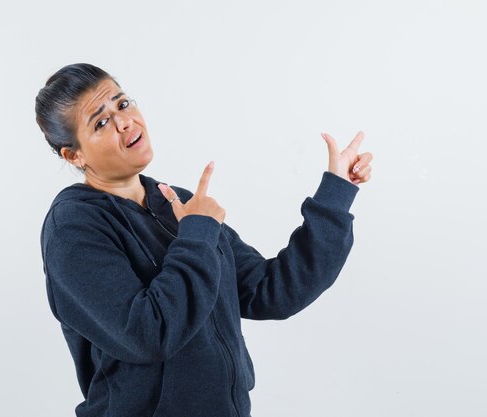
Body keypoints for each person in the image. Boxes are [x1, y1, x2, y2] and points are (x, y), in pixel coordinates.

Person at [35, 63, 373, 417]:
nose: (124, 122)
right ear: (74, 155)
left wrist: (336, 193)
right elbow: (146, 334)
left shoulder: (177, 203)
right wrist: (196, 234)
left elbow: (272, 290)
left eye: (122, 104)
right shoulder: (73, 228)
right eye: (100, 122)